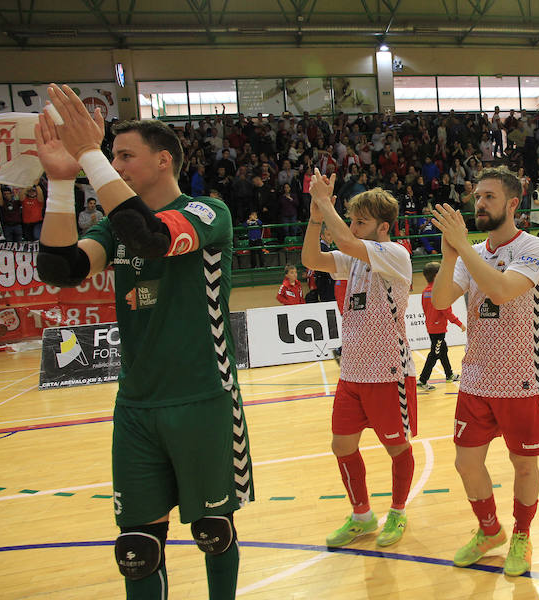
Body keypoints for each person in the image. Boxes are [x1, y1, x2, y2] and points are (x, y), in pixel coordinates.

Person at [36, 83, 253, 600]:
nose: (116, 164)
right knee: (136, 550)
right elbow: (58, 268)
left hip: (203, 397)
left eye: (124, 156)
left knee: (212, 533)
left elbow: (152, 237)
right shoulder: (114, 230)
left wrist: (88, 152)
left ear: (162, 161)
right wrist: (63, 182)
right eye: (112, 156)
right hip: (135, 405)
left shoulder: (208, 213)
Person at [430, 166, 539, 577]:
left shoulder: (535, 247)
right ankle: (489, 530)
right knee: (466, 464)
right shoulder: (472, 251)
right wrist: (452, 254)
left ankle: (522, 535)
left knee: (524, 465)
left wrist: (463, 248)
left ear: (513, 203)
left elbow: (501, 289)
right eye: (477, 196)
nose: (479, 204)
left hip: (521, 379)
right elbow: (442, 298)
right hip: (476, 378)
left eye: (489, 197)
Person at [300, 170, 417, 549]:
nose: (352, 226)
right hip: (352, 372)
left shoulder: (395, 254)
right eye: (351, 219)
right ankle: (362, 516)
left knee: (397, 448)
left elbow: (347, 241)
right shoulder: (354, 259)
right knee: (342, 445)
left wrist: (324, 203)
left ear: (383, 226)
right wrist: (318, 215)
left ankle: (398, 512)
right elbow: (310, 257)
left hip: (388, 372)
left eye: (360, 221)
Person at [417, 261, 466, 391]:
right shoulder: (440, 292)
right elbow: (447, 311)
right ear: (436, 276)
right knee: (434, 354)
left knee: (442, 350)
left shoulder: (425, 292)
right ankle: (423, 380)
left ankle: (449, 374)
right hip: (438, 330)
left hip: (431, 327)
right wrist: (459, 324)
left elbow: (426, 309)